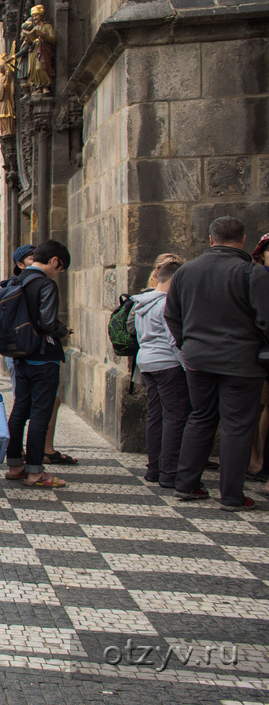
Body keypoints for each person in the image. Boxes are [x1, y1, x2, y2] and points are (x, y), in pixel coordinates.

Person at [167, 216, 269, 510]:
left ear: (211, 239)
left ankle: (186, 484)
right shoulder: (254, 273)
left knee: (200, 417)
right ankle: (232, 496)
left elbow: (172, 315)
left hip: (198, 358)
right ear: (243, 240)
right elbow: (266, 320)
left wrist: (187, 345)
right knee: (238, 425)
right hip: (242, 361)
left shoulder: (185, 271)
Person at [2, 240, 74, 489]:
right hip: (43, 357)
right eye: (60, 268)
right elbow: (47, 322)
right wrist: (64, 330)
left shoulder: (16, 280)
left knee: (20, 410)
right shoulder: (45, 284)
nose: (58, 273)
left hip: (20, 355)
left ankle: (14, 466)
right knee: (40, 414)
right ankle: (34, 472)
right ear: (54, 261)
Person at [134, 254, 188, 488]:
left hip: (146, 362)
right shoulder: (167, 303)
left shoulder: (142, 302)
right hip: (168, 364)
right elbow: (174, 340)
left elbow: (139, 335)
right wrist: (187, 366)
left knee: (156, 416)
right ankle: (169, 472)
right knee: (175, 417)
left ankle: (154, 469)